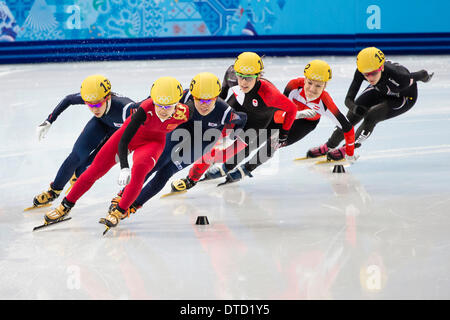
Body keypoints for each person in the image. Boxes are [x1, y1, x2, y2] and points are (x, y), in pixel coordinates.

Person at [42, 76, 190, 231]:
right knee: (95, 169)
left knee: (139, 171)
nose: (162, 110)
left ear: (177, 104)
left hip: (153, 143)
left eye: (168, 106)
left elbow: (201, 110)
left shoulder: (184, 112)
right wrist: (124, 167)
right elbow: (124, 140)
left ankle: (119, 211)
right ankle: (66, 205)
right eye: (158, 104)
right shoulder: (145, 109)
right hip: (128, 137)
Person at [109, 72, 247, 216]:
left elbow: (242, 119)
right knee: (157, 161)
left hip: (204, 138)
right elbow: (154, 100)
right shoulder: (183, 96)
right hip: (183, 126)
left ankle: (136, 205)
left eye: (208, 101)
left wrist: (232, 136)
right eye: (198, 99)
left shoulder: (225, 111)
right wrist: (137, 109)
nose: (203, 105)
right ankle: (123, 195)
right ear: (192, 95)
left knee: (167, 171)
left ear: (216, 97)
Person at [307, 47, 434, 161]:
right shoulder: (362, 72)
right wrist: (355, 108)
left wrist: (427, 77)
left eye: (373, 73)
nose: (370, 78)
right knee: (350, 117)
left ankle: (348, 148)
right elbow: (348, 99)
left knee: (372, 116)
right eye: (365, 74)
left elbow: (422, 74)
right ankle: (329, 146)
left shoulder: (401, 77)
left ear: (381, 67)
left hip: (404, 97)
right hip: (380, 90)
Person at [30, 74, 137, 209]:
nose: (94, 109)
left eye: (98, 104)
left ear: (107, 97)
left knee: (89, 168)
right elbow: (68, 99)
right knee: (76, 156)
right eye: (89, 105)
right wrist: (49, 120)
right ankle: (53, 191)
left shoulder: (125, 107)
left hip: (120, 134)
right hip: (101, 123)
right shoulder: (93, 97)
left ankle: (76, 177)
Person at [198, 51, 298, 184]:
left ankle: (230, 167)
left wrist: (284, 134)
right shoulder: (232, 77)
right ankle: (212, 156)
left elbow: (292, 109)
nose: (244, 82)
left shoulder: (270, 94)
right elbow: (222, 95)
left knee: (246, 144)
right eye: (241, 76)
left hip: (262, 116)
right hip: (241, 104)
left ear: (258, 76)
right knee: (218, 126)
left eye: (249, 78)